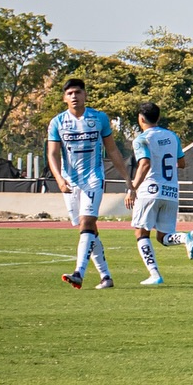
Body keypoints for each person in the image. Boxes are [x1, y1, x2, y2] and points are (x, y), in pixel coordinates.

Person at [48, 77, 131, 290]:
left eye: (78, 92)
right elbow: (53, 153)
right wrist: (59, 179)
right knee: (88, 229)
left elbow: (112, 150)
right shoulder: (57, 122)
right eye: (70, 93)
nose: (74, 96)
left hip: (93, 178)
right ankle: (106, 277)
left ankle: (79, 273)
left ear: (85, 95)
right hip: (69, 182)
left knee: (86, 223)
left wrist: (127, 179)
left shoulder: (99, 118)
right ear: (64, 98)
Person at [125, 102, 193, 285]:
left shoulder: (142, 139)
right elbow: (181, 163)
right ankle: (184, 237)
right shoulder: (172, 136)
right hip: (171, 192)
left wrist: (132, 188)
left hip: (149, 191)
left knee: (141, 234)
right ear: (158, 118)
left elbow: (145, 164)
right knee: (162, 237)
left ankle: (154, 274)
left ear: (141, 119)